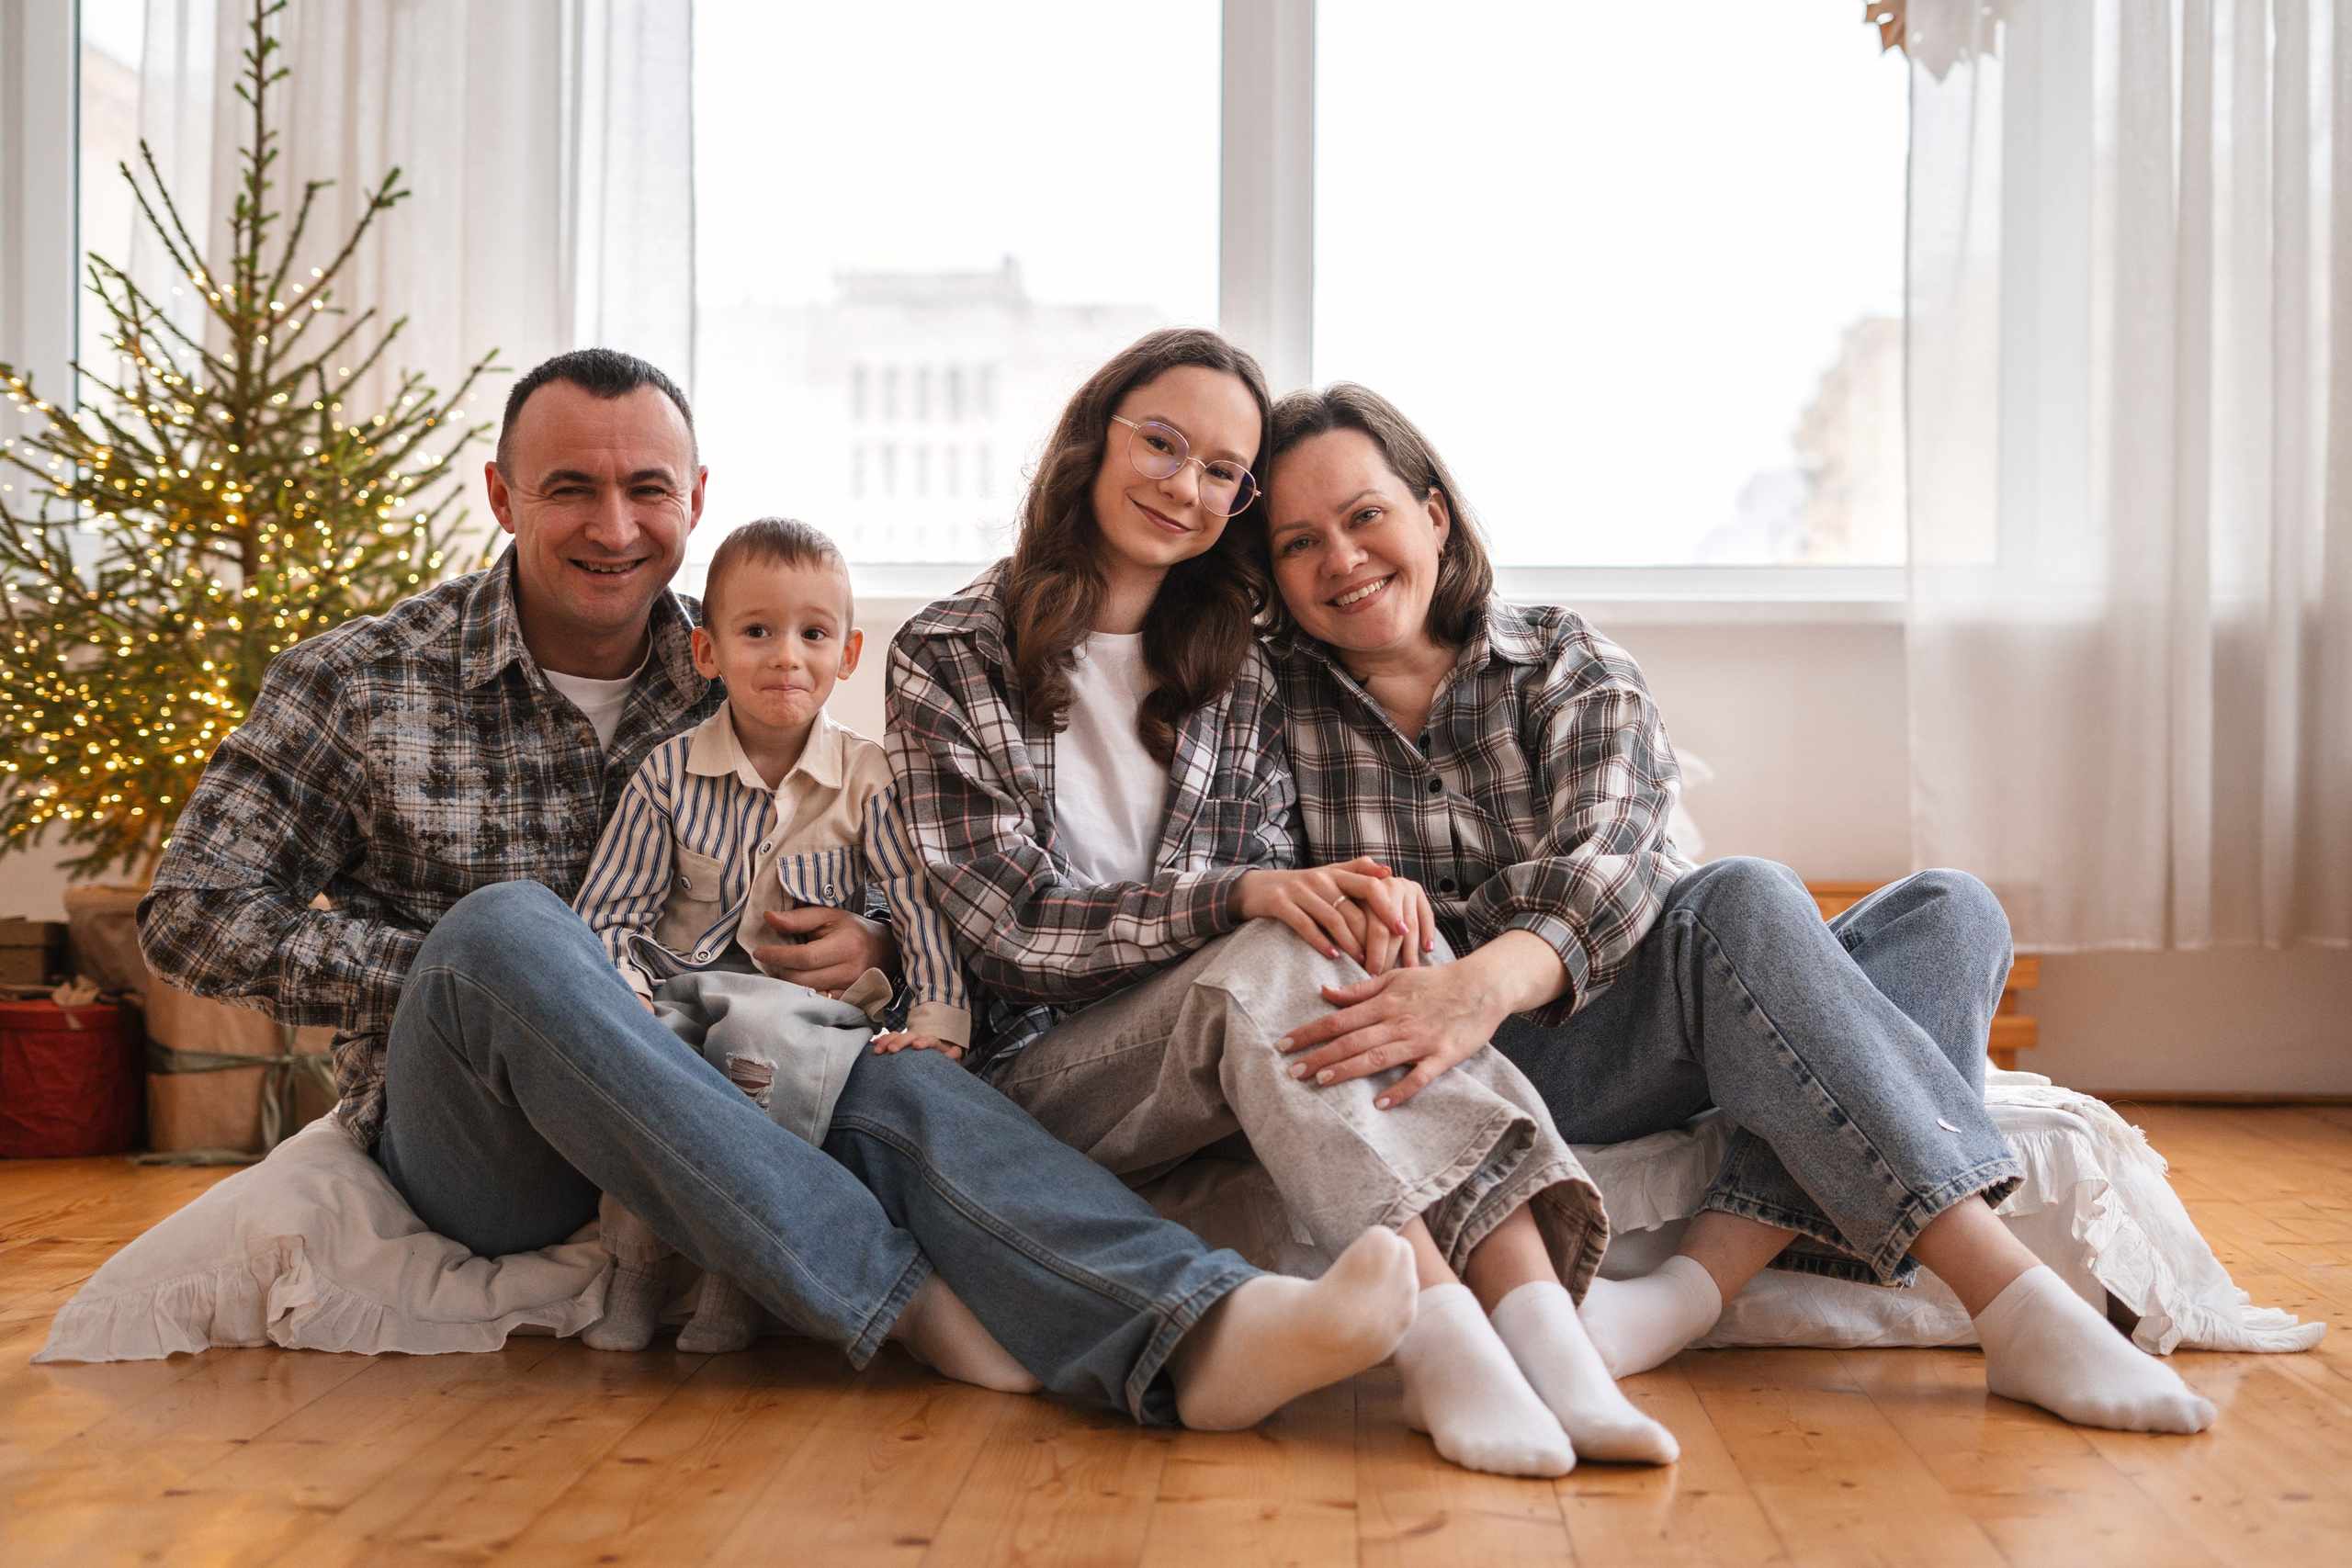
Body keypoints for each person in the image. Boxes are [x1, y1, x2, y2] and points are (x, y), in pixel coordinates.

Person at [136, 347, 1423, 1433]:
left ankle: (1204, 1327)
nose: (614, 525)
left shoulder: (751, 645)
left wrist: (865, 940)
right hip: (489, 1140)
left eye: (648, 488)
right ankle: (902, 1298)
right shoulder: (361, 677)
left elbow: (884, 857)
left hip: (728, 1074)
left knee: (893, 1060)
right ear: (501, 493)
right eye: (570, 488)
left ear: (694, 498)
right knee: (512, 928)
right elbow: (188, 908)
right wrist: (526, 986)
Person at [1257, 380, 2217, 1436]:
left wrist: (1479, 984)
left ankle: (1687, 1292)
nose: (1341, 559)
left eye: (1364, 516)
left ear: (1432, 514)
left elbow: (1615, 863)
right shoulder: (1262, 706)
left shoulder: (1562, 660)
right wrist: (1436, 991)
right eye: (1299, 543)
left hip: (1609, 1014)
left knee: (1951, 912)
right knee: (1748, 896)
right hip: (1481, 1072)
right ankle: (2015, 1302)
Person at [888, 327, 1678, 1476]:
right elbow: (1004, 931)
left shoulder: (1238, 666)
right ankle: (1444, 1340)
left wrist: (1369, 909)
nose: (1184, 485)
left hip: (1227, 1043)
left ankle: (1549, 1344)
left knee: (1354, 956)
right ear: (1090, 443)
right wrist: (1244, 896)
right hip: (1049, 1074)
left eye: (1222, 473)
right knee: (1266, 941)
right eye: (1161, 444)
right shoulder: (947, 654)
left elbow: (1276, 879)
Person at [569, 515, 970, 1355]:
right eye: (757, 632)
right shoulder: (669, 775)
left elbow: (917, 903)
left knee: (760, 1041)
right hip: (682, 989)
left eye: (813, 633)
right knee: (654, 1059)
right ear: (706, 652)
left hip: (803, 1011)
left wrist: (935, 1024)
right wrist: (631, 1001)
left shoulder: (868, 778)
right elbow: (610, 910)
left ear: (848, 654)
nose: (788, 656)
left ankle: (734, 1269)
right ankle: (637, 1264)